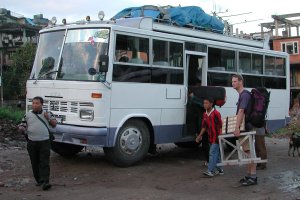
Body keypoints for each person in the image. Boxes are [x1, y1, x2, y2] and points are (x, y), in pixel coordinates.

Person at [18, 96, 57, 190]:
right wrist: (21, 128)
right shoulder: (27, 114)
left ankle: (45, 182)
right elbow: (22, 125)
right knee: (34, 162)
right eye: (33, 103)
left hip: (45, 142)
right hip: (32, 142)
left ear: (41, 104)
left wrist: (48, 118)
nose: (35, 105)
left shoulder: (47, 113)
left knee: (44, 162)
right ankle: (39, 180)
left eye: (37, 103)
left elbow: (54, 124)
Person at [232, 74, 257, 186]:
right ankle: (249, 175)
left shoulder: (244, 95)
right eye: (232, 81)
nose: (233, 83)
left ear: (241, 82)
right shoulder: (243, 95)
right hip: (245, 127)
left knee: (249, 152)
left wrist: (236, 127)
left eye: (235, 81)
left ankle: (253, 176)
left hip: (246, 128)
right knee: (247, 152)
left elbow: (241, 111)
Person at [195, 97, 223, 177]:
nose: (205, 105)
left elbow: (220, 126)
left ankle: (211, 170)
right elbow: (204, 127)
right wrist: (199, 136)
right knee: (216, 154)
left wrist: (220, 137)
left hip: (216, 137)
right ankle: (220, 169)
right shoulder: (205, 114)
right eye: (204, 103)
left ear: (211, 104)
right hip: (211, 137)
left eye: (206, 103)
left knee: (212, 153)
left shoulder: (216, 113)